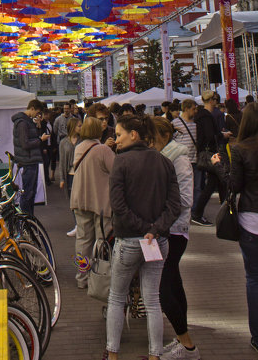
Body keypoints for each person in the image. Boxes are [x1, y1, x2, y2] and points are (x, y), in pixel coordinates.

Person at [106, 114, 181, 360]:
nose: (116, 140)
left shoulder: (121, 162)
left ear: (133, 134)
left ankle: (113, 354)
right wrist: (155, 229)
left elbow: (118, 205)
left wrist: (143, 228)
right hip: (157, 241)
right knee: (152, 301)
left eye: (118, 134)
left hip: (129, 240)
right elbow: (174, 205)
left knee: (117, 298)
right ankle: (155, 355)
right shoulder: (164, 161)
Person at [151, 118, 199, 360]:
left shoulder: (176, 158)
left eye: (151, 137)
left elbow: (184, 199)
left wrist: (160, 218)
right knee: (174, 284)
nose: (148, 142)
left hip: (174, 230)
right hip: (169, 228)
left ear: (163, 136)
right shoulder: (163, 156)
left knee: (164, 287)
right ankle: (182, 339)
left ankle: (188, 346)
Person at [212, 102, 258, 354]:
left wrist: (219, 165)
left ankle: (257, 336)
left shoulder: (240, 148)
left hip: (251, 219)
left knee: (254, 278)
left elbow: (234, 186)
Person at [70, 117, 114, 289]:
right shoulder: (103, 149)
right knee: (102, 240)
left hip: (80, 200)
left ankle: (82, 277)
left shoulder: (79, 147)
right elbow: (116, 170)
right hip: (100, 202)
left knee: (83, 240)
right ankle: (101, 276)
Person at [192, 90, 226, 226]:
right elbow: (210, 135)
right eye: (215, 99)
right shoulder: (206, 116)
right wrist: (222, 135)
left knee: (216, 183)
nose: (216, 101)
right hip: (210, 154)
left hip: (207, 153)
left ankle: (226, 213)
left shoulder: (202, 115)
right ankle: (198, 213)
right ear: (211, 100)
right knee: (216, 182)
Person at [12, 99, 48, 217]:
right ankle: (25, 220)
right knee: (28, 193)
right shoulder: (22, 122)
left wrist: (37, 126)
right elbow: (25, 144)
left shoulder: (26, 121)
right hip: (28, 161)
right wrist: (40, 140)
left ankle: (29, 218)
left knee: (30, 192)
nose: (37, 115)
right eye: (37, 112)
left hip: (30, 160)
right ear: (32, 108)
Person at [172, 100, 199, 210]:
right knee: (182, 187)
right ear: (186, 109)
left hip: (195, 159)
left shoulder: (196, 123)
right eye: (193, 109)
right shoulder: (175, 124)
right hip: (181, 161)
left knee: (196, 187)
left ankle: (194, 211)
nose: (195, 111)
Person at [59, 117, 83, 236]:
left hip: (81, 174)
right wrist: (62, 178)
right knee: (72, 201)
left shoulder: (82, 140)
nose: (81, 127)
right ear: (73, 127)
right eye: (79, 125)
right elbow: (62, 160)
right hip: (70, 175)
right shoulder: (64, 142)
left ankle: (81, 225)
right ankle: (77, 225)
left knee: (81, 200)